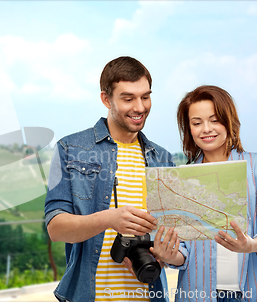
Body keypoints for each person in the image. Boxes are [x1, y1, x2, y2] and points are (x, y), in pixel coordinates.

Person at [44, 56, 175, 302]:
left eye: (145, 97)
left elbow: (174, 239)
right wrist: (110, 219)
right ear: (106, 99)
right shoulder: (69, 149)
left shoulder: (164, 160)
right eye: (128, 98)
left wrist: (165, 255)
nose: (139, 107)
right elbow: (55, 228)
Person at [151, 85, 257, 302]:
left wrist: (250, 245)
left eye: (214, 120)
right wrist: (168, 255)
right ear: (189, 129)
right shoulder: (182, 178)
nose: (206, 129)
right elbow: (183, 251)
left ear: (229, 121)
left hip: (253, 293)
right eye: (197, 123)